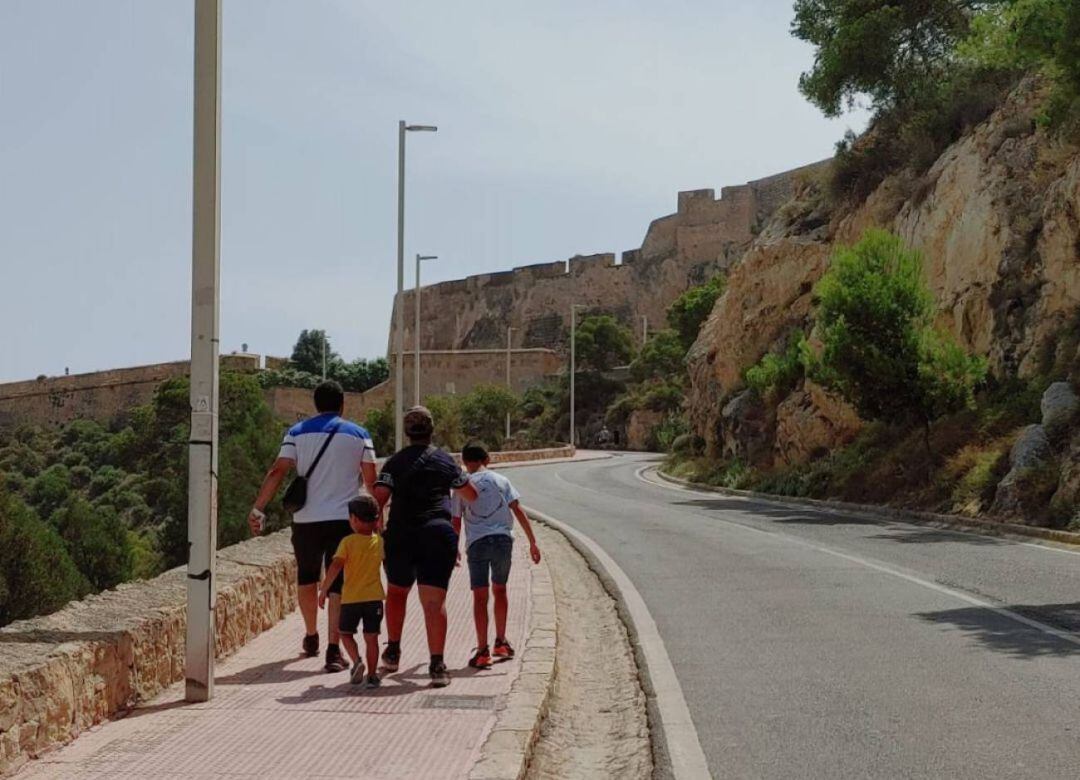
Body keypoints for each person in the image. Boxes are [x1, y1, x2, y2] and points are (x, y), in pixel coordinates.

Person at [248, 380, 377, 673]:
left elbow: (278, 470)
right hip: (344, 519)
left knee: (307, 577)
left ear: (315, 404)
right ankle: (334, 650)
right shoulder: (359, 434)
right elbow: (371, 481)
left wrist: (258, 508)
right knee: (337, 585)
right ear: (342, 403)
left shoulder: (296, 432)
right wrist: (378, 518)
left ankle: (310, 635)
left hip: (305, 519)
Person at [371, 406, 478, 687]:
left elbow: (377, 499)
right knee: (434, 602)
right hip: (436, 533)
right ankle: (437, 664)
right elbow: (470, 494)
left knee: (396, 593)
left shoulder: (393, 463)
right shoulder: (444, 461)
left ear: (407, 432)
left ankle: (392, 650)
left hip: (401, 533)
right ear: (432, 430)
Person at [452, 442, 541, 669]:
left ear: (464, 462)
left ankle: (482, 651)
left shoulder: (461, 486)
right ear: (487, 460)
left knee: (480, 597)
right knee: (500, 590)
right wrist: (532, 542)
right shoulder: (502, 480)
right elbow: (518, 510)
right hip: (503, 542)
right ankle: (501, 642)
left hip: (477, 544)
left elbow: (456, 521)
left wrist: (454, 548)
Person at [318, 495, 384, 688]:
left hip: (351, 599)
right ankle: (372, 676)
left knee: (345, 633)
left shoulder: (347, 542)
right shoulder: (379, 542)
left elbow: (336, 566)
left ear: (354, 519)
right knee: (372, 638)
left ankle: (356, 660)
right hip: (374, 599)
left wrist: (324, 590)